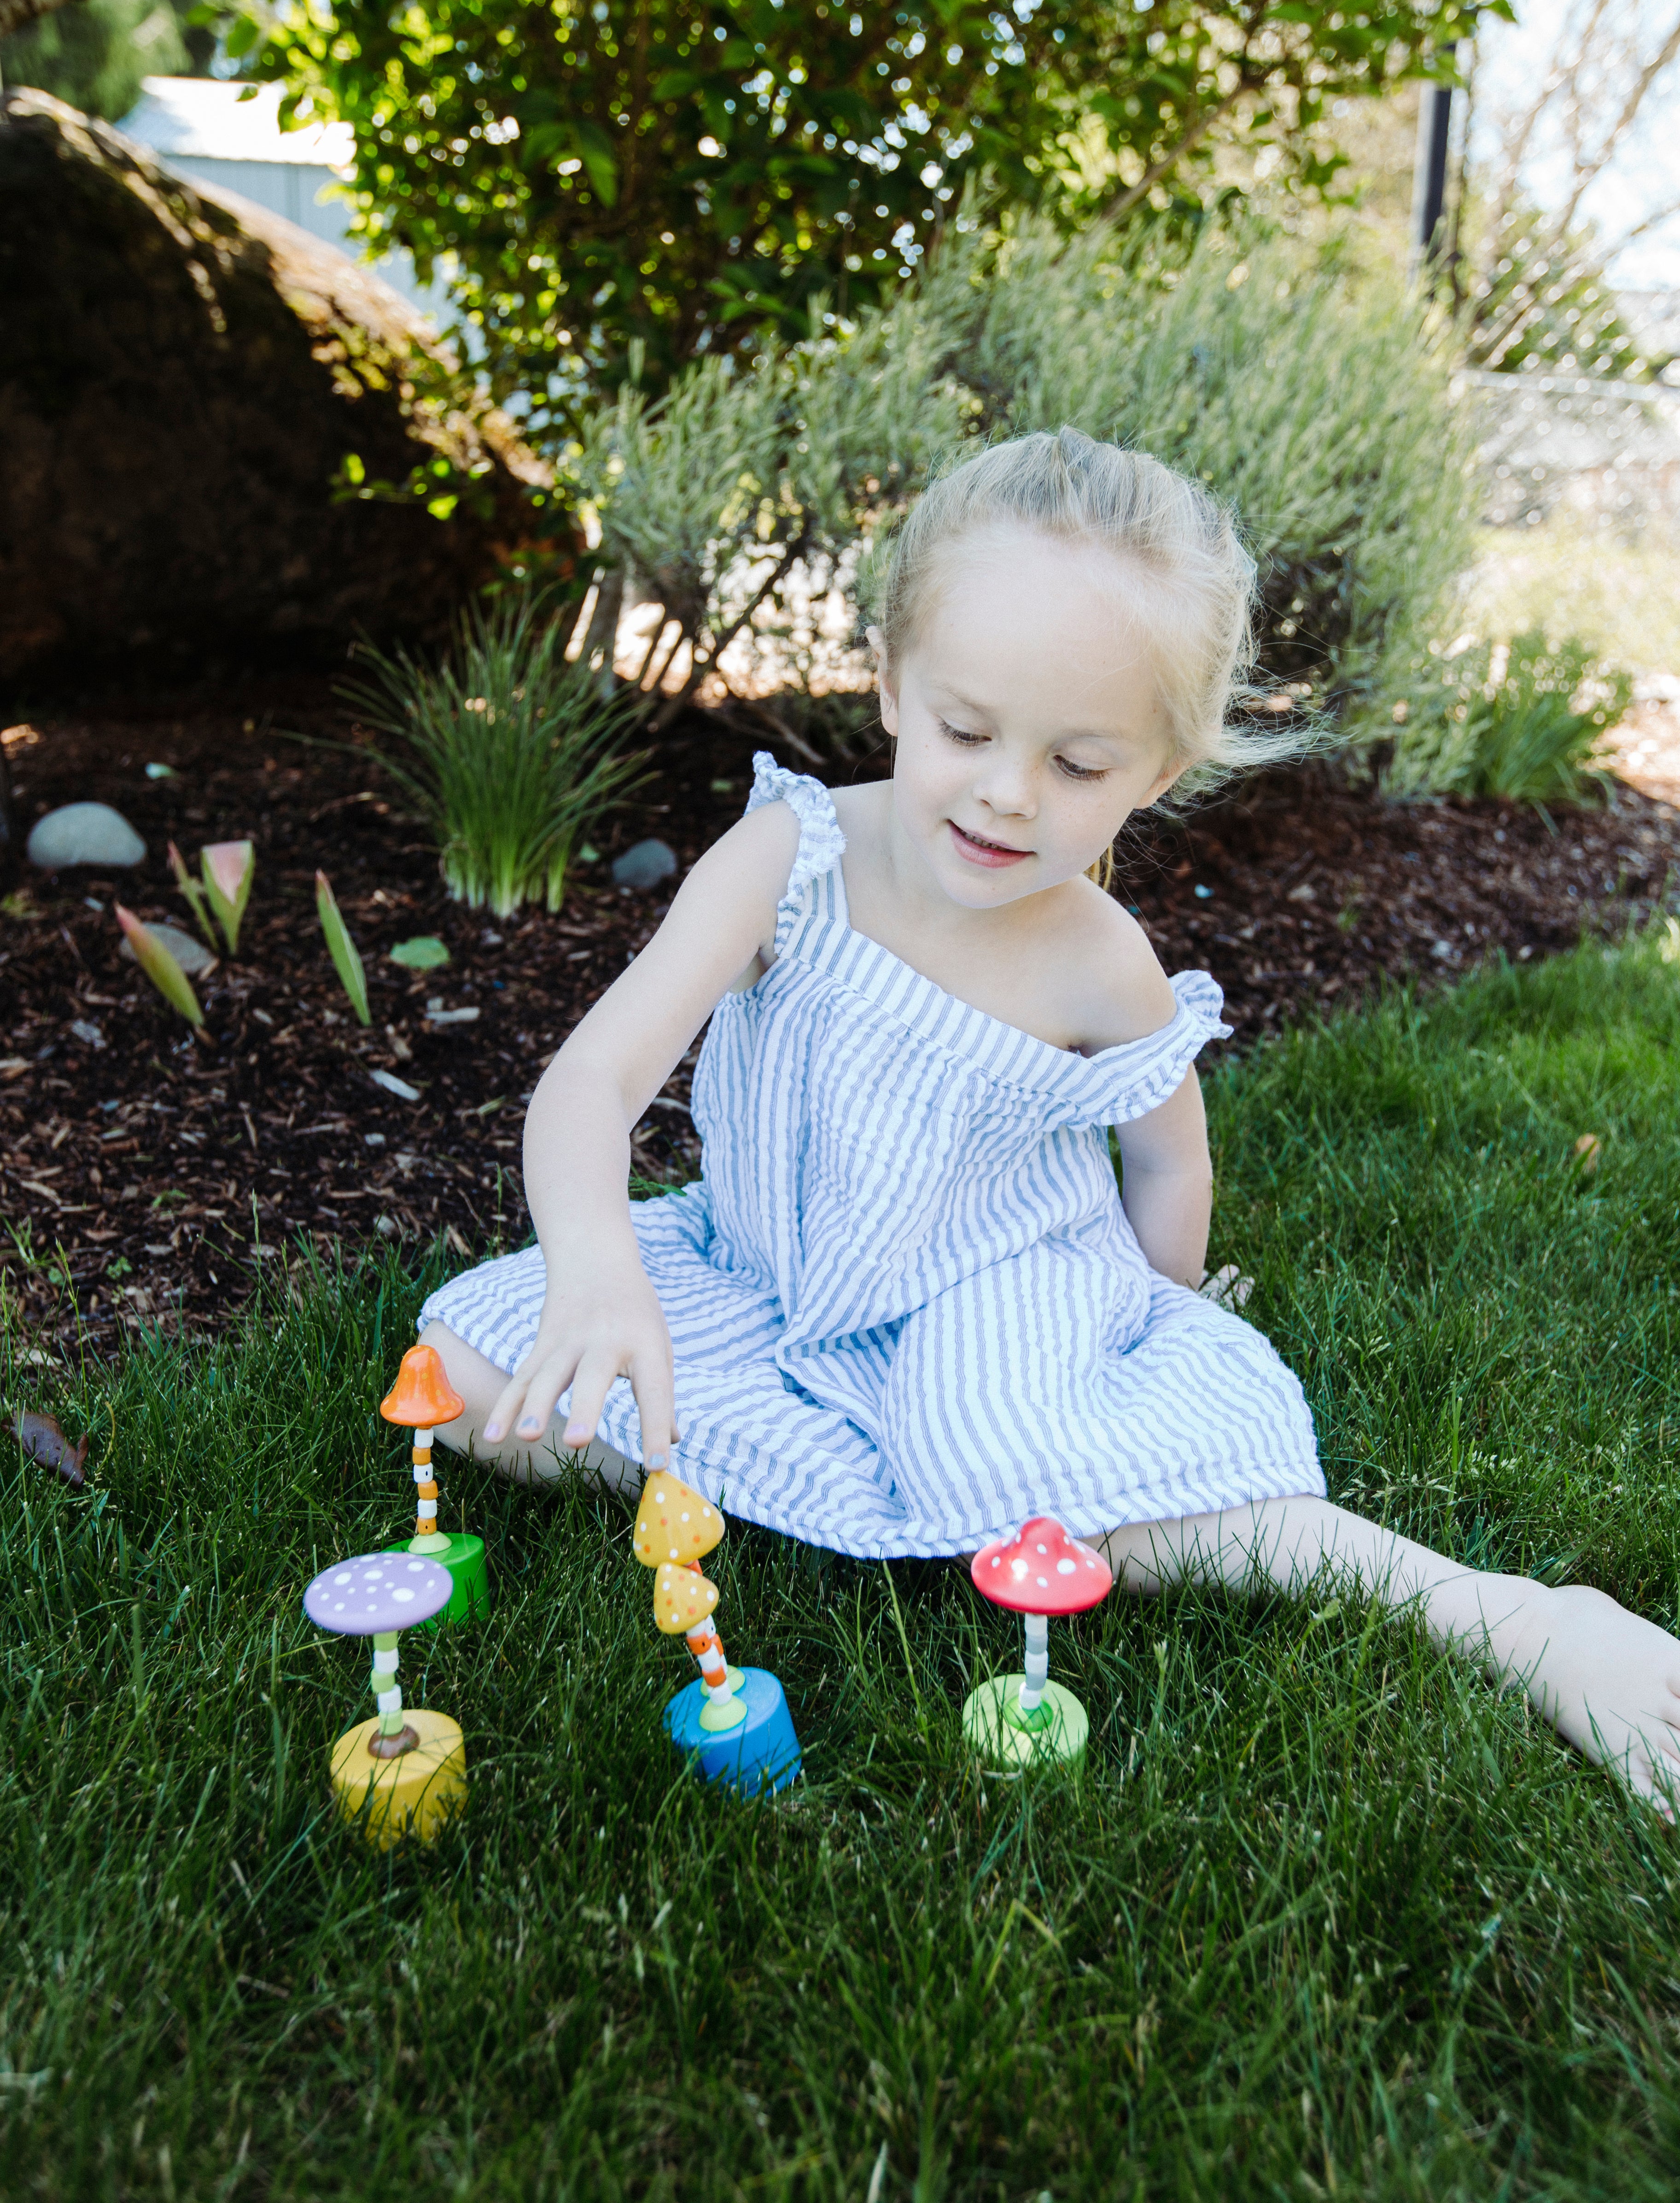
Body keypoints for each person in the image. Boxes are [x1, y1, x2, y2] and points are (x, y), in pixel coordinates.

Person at [419, 429, 1680, 1812]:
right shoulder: (792, 859)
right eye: (967, 732)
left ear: (1159, 770)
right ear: (893, 686)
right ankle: (823, 1450)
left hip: (991, 1291)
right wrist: (602, 1268)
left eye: (1080, 764)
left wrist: (1155, 1307)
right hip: (761, 1267)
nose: (1010, 792)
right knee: (468, 1366)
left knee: (1027, 1475)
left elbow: (1166, 1152)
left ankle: (1513, 1615)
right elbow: (595, 1083)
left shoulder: (1097, 959)